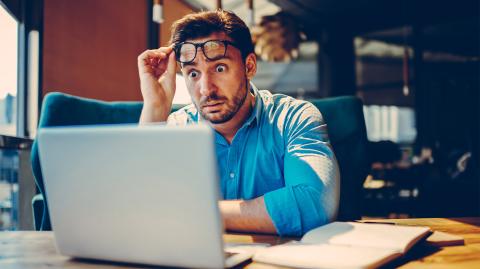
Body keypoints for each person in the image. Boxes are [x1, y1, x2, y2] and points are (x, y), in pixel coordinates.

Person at [137, 10, 339, 237]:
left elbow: (313, 204)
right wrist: (155, 110)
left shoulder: (294, 118)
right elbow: (139, 208)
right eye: (193, 73)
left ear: (249, 66)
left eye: (220, 68)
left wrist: (197, 213)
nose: (206, 89)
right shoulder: (175, 129)